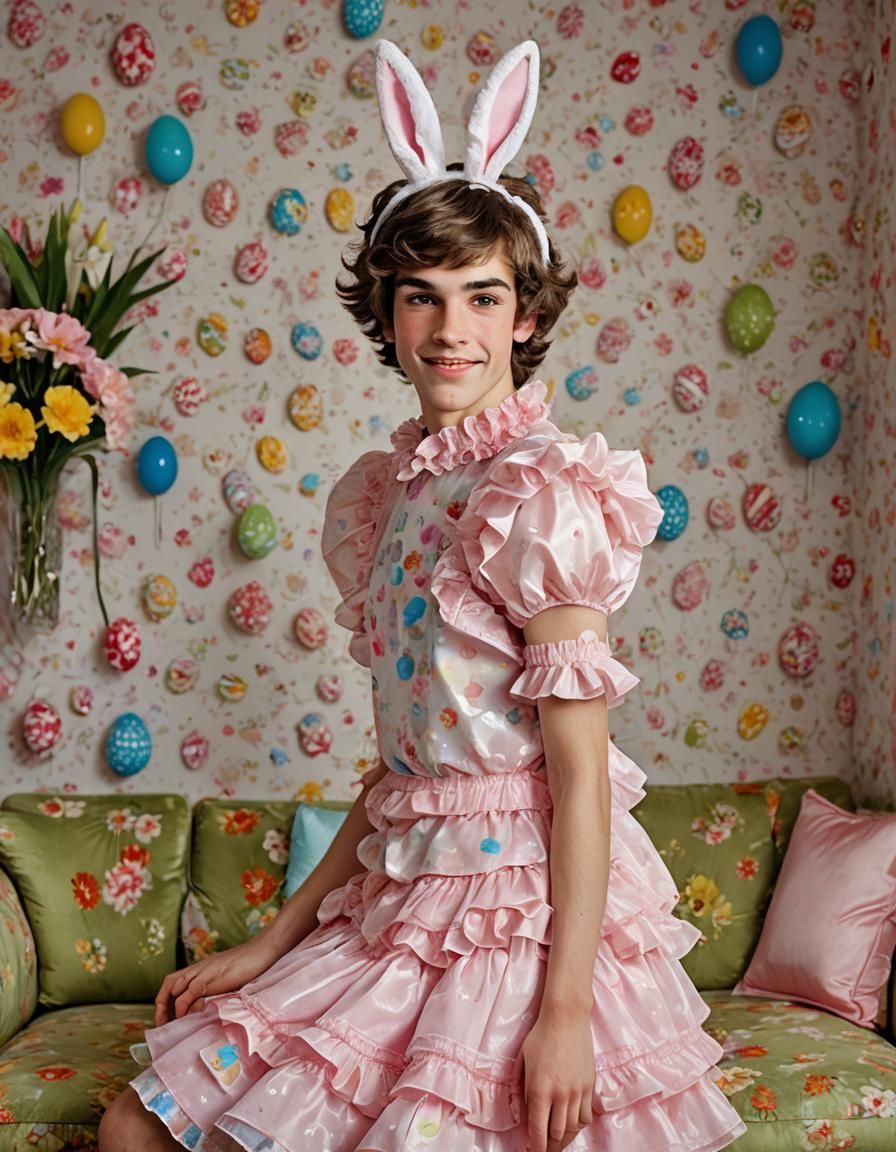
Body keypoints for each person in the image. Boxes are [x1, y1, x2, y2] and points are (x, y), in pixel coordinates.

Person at [99, 39, 747, 1152]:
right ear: (387, 319)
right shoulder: (385, 498)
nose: (451, 329)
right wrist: (272, 941)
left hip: (519, 926)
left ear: (525, 319)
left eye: (481, 297)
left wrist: (564, 1014)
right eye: (422, 298)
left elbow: (581, 780)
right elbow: (406, 778)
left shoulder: (541, 494)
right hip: (398, 902)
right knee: (138, 1125)